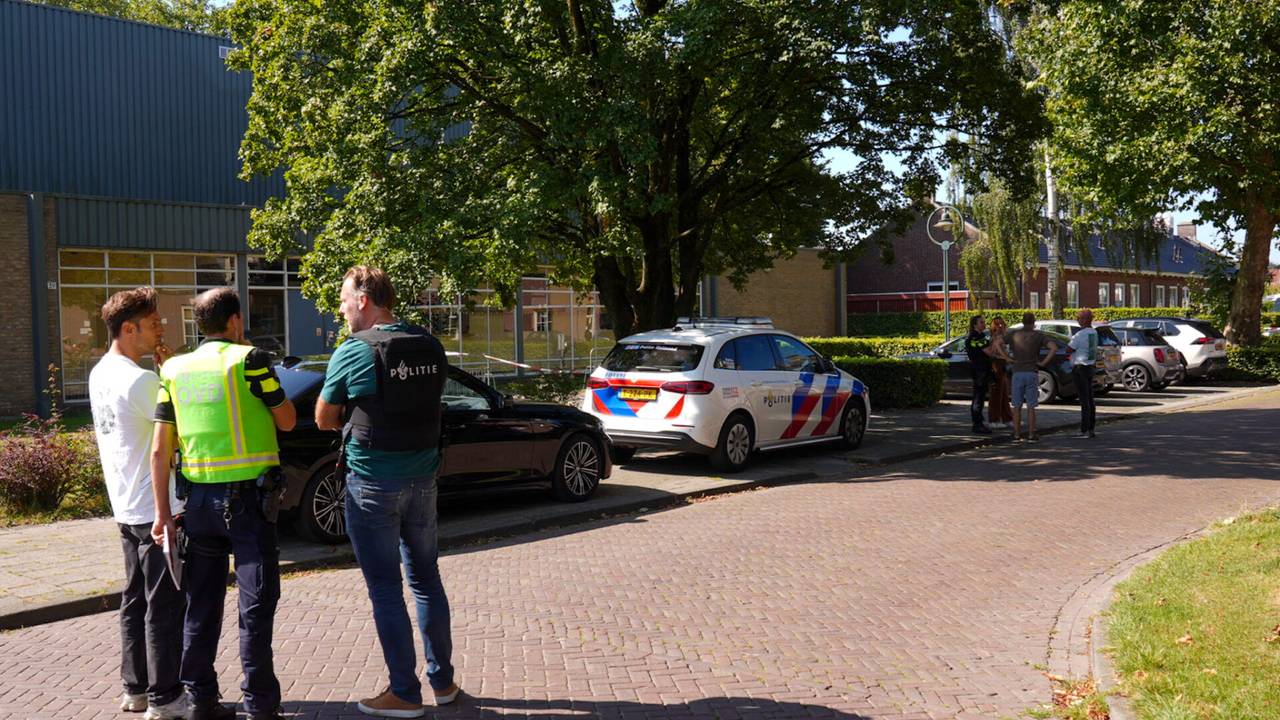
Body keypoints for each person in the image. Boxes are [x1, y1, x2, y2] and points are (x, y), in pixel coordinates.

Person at [314, 266, 458, 719]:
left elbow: (322, 416)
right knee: (427, 579)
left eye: (342, 299)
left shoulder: (353, 351)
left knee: (385, 589)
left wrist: (352, 421)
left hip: (373, 485)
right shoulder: (430, 345)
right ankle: (443, 681)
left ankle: (404, 693)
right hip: (424, 481)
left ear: (363, 299)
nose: (340, 308)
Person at [150, 288, 296, 720]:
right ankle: (259, 705)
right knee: (254, 606)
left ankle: (201, 700)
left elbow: (160, 451)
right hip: (249, 504)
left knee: (202, 605)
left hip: (197, 505)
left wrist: (163, 516)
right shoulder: (249, 360)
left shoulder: (173, 369)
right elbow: (286, 420)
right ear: (235, 321)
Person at [89, 287, 189, 720]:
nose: (161, 328)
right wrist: (167, 375)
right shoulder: (142, 380)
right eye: (153, 323)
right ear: (128, 328)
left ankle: (136, 690)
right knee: (164, 605)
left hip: (126, 505)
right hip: (156, 509)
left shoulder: (100, 373)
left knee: (134, 601)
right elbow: (178, 431)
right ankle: (166, 698)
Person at [1004, 312, 1059, 442]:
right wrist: (1043, 363)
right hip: (1032, 372)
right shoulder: (1038, 335)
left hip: (1017, 372)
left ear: (1022, 322)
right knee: (1031, 406)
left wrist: (1007, 357)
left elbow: (997, 342)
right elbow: (1054, 347)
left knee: (1016, 406)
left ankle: (1016, 435)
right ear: (1033, 322)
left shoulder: (1014, 334)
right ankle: (1031, 434)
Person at [1068, 308, 1099, 438]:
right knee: (1090, 399)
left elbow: (1069, 348)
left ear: (1086, 320)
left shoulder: (1080, 335)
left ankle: (1084, 430)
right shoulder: (1094, 332)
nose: (1078, 320)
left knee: (1084, 400)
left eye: (1080, 318)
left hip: (1080, 367)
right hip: (1090, 366)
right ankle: (1091, 428)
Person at [964, 315, 993, 435]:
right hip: (980, 370)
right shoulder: (976, 337)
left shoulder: (977, 336)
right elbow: (989, 351)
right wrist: (996, 342)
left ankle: (979, 421)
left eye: (984, 322)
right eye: (981, 322)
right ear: (975, 324)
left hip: (980, 370)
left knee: (979, 396)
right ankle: (977, 424)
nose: (984, 324)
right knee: (978, 397)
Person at [987, 316, 1014, 429]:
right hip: (996, 364)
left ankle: (1007, 418)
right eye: (997, 324)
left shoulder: (1003, 337)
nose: (1000, 326)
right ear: (993, 327)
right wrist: (1006, 357)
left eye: (1002, 324)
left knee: (1003, 393)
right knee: (996, 393)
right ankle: (994, 419)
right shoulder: (994, 338)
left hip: (1002, 365)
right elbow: (992, 352)